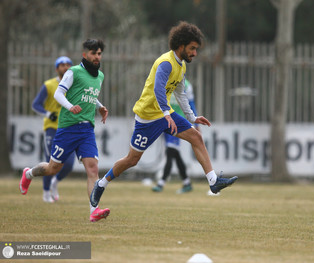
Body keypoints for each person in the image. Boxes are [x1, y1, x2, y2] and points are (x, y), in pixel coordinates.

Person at [90, 21, 238, 211]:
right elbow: (159, 88)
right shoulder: (166, 62)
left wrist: (192, 118)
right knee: (132, 160)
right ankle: (101, 183)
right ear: (181, 45)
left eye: (196, 49)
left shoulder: (181, 66)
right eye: (192, 48)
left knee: (196, 137)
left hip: (165, 114)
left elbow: (181, 94)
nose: (195, 53)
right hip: (147, 118)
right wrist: (167, 113)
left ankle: (213, 181)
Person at [20, 39, 110, 222]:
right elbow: (58, 94)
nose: (96, 57)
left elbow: (88, 95)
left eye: (99, 53)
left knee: (93, 169)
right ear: (85, 55)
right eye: (93, 53)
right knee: (53, 168)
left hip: (87, 129)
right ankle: (28, 174)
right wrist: (70, 107)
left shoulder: (100, 76)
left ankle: (94, 210)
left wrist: (99, 106)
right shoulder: (73, 72)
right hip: (68, 128)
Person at [32, 56, 76, 203]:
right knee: (50, 161)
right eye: (62, 65)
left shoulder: (75, 85)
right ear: (57, 68)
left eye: (68, 65)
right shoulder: (49, 85)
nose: (65, 67)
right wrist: (47, 114)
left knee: (69, 164)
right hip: (52, 128)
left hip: (68, 127)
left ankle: (54, 183)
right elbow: (36, 104)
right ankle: (45, 194)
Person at [152, 79, 199, 194]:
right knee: (174, 153)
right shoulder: (164, 81)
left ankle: (161, 182)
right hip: (165, 121)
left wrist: (196, 122)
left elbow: (191, 104)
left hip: (178, 123)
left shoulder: (187, 85)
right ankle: (187, 182)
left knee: (170, 151)